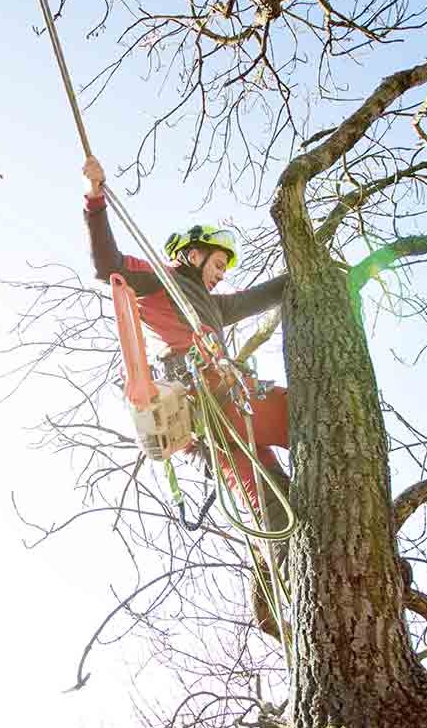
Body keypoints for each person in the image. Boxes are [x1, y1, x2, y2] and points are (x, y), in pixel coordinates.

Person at [83, 156, 293, 639]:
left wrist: (316, 269)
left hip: (223, 419)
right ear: (193, 255)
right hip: (213, 409)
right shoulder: (162, 281)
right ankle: (295, 573)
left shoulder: (217, 306)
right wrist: (96, 200)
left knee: (280, 506)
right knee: (299, 417)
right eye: (217, 263)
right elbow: (107, 266)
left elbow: (270, 293)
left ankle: (297, 573)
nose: (221, 275)